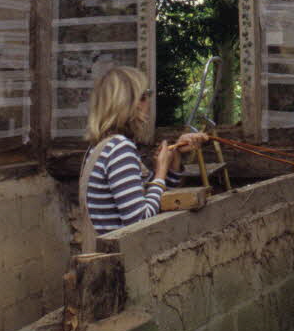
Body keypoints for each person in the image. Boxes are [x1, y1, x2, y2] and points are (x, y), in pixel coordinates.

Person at [79, 66, 207, 249]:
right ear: (133, 103)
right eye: (146, 95)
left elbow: (156, 201)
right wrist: (160, 173)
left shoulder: (102, 146)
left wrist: (174, 159)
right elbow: (139, 221)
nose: (149, 103)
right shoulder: (119, 149)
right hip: (120, 265)